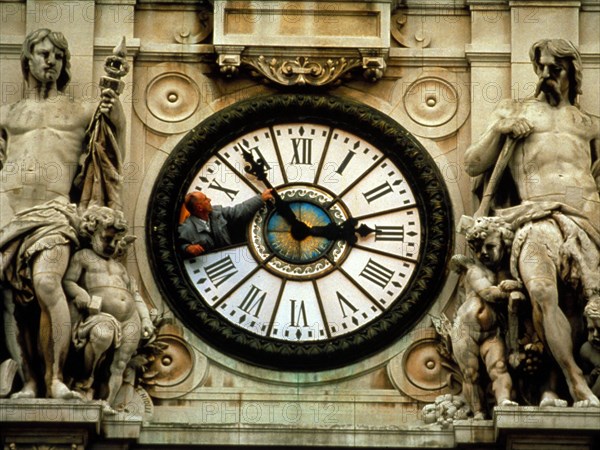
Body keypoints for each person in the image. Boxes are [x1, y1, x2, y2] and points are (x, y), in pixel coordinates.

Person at [464, 39, 600, 407]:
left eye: (553, 68)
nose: (545, 75)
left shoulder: (589, 124)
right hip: (534, 216)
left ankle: (552, 388)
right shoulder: (515, 111)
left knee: (580, 307)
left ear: (572, 71)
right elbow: (474, 163)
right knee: (540, 293)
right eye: (540, 67)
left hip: (586, 220)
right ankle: (576, 383)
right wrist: (501, 129)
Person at [0, 29, 124, 399]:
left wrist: (111, 101)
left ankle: (56, 379)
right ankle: (30, 381)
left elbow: (112, 137)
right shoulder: (8, 114)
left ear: (65, 62)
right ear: (28, 59)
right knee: (7, 296)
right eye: (42, 54)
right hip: (8, 211)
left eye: (56, 55)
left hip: (55, 212)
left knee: (47, 283)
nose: (49, 60)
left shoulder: (79, 110)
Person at [63, 206, 155, 411]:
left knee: (120, 364)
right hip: (101, 315)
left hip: (131, 317)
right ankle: (85, 381)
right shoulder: (84, 257)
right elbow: (68, 281)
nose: (111, 245)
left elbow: (135, 294)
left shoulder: (119, 267)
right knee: (102, 336)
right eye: (107, 239)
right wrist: (81, 295)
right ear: (92, 232)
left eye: (115, 241)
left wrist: (146, 319)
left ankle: (107, 402)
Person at [450, 217, 519, 418]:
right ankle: (478, 412)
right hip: (464, 330)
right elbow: (489, 294)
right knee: (471, 374)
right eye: (479, 249)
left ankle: (504, 401)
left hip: (492, 332)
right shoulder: (474, 270)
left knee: (499, 366)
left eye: (490, 246)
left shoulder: (507, 271)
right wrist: (517, 288)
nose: (484, 253)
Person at [178, 189, 274, 257]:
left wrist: (260, 199)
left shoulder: (217, 213)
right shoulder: (187, 228)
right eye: (205, 199)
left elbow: (238, 211)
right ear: (199, 207)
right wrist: (187, 248)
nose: (209, 200)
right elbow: (177, 247)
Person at [580, 297, 600, 397]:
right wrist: (591, 377)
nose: (595, 335)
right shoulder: (587, 350)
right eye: (591, 330)